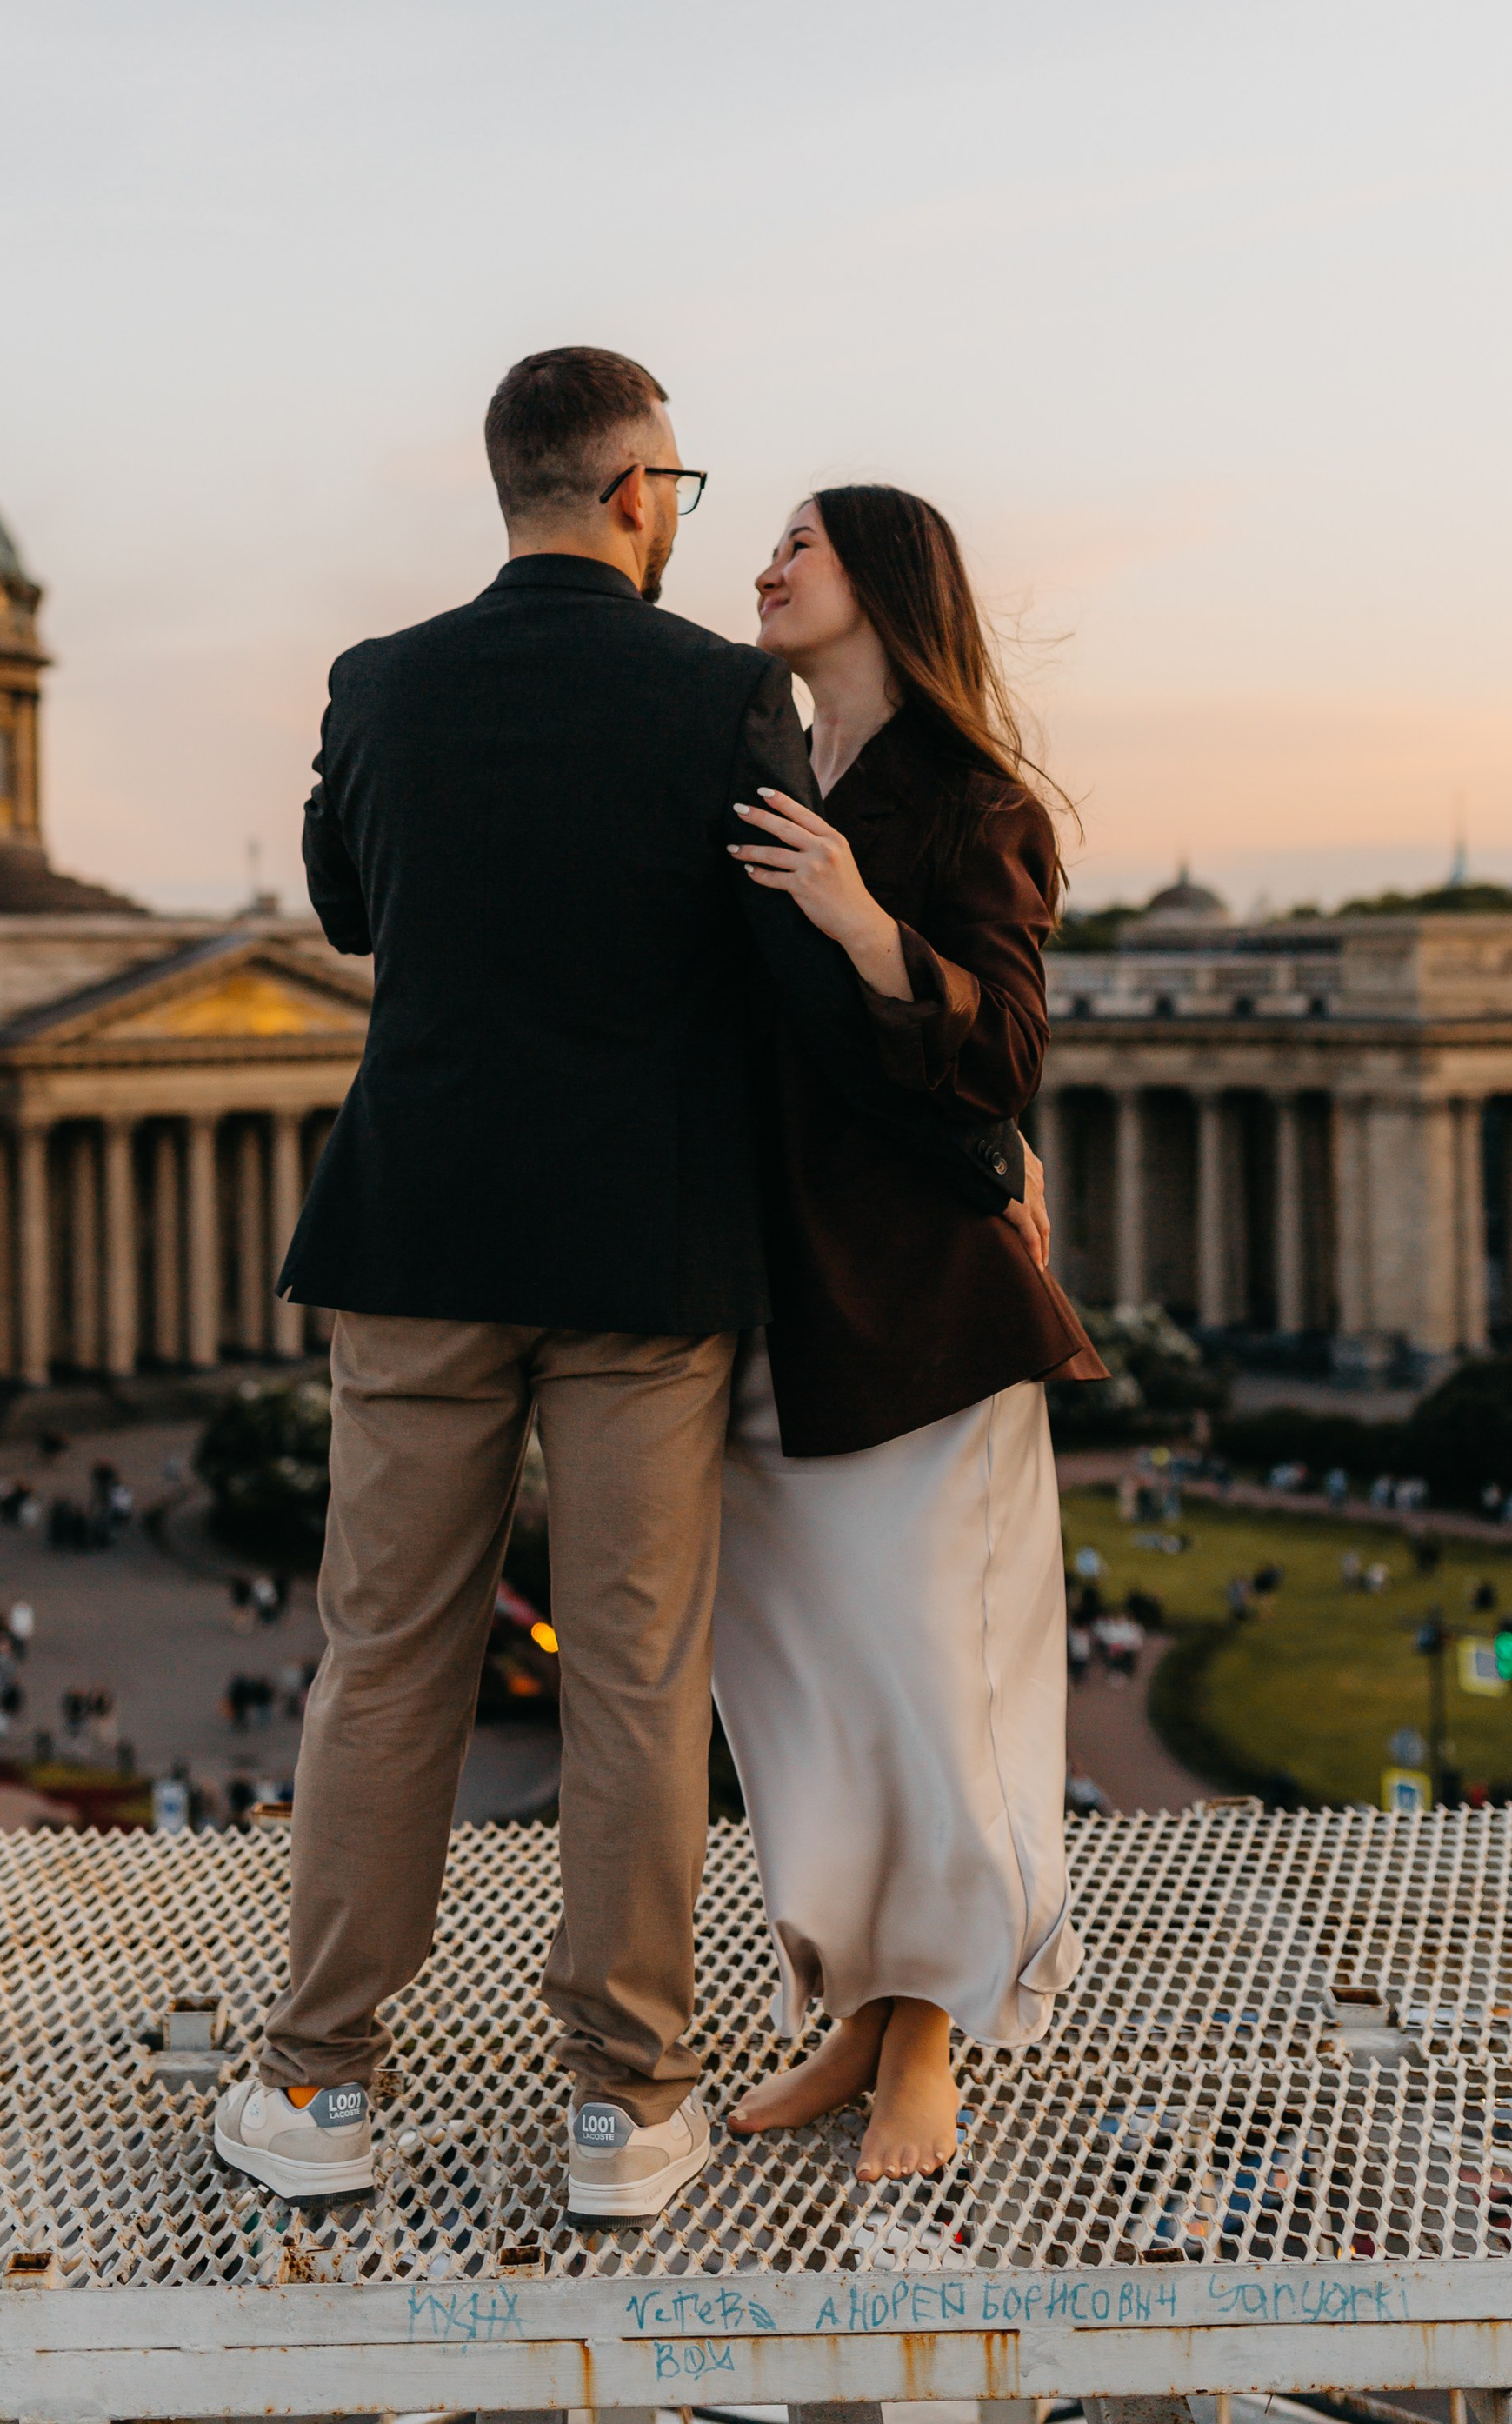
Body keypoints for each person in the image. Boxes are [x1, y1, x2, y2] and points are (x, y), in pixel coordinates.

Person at [213, 350, 1030, 2223]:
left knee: (383, 1661)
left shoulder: (379, 683)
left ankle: (322, 2080)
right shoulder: (718, 697)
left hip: (416, 1238)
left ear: (508, 486)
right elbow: (797, 985)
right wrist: (984, 1156)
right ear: (638, 488)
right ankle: (623, 2105)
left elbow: (351, 907)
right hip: (645, 1257)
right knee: (638, 1683)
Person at [713, 485, 1102, 2181]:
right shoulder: (759, 786)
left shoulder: (969, 803)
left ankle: (933, 2022)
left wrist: (866, 927)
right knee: (806, 1692)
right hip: (766, 1289)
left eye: (797, 541)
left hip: (916, 1301)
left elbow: (1004, 1049)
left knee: (935, 1679)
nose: (764, 563)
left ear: (880, 582)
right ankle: (858, 2010)